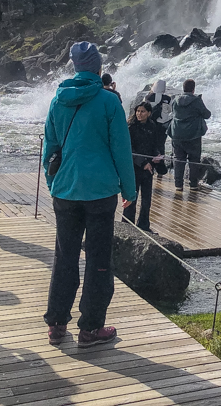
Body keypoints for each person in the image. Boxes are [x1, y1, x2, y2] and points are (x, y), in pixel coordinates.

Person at [43, 41, 136, 348]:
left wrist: (52, 181)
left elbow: (51, 148)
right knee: (99, 260)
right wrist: (129, 188)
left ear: (75, 67)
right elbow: (121, 149)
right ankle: (91, 329)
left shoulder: (58, 100)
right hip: (100, 193)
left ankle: (56, 324)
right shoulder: (109, 102)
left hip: (65, 191)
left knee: (64, 257)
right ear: (98, 68)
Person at [125, 101, 164, 231]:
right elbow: (130, 150)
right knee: (132, 198)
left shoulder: (153, 126)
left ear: (149, 113)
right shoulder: (130, 127)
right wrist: (143, 163)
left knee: (147, 199)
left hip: (149, 168)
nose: (139, 114)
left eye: (142, 111)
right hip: (134, 167)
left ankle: (144, 225)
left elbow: (155, 145)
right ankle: (127, 225)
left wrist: (157, 156)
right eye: (138, 111)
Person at [167, 78, 210, 193]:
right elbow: (206, 114)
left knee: (178, 160)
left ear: (183, 88)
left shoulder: (175, 100)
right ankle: (193, 185)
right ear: (193, 88)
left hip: (176, 134)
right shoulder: (196, 101)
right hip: (193, 135)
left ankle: (178, 185)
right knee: (194, 160)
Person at [144, 79, 172, 178]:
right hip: (162, 126)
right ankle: (160, 169)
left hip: (150, 124)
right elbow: (170, 112)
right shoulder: (168, 98)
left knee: (149, 145)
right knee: (160, 146)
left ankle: (149, 165)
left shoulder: (148, 97)